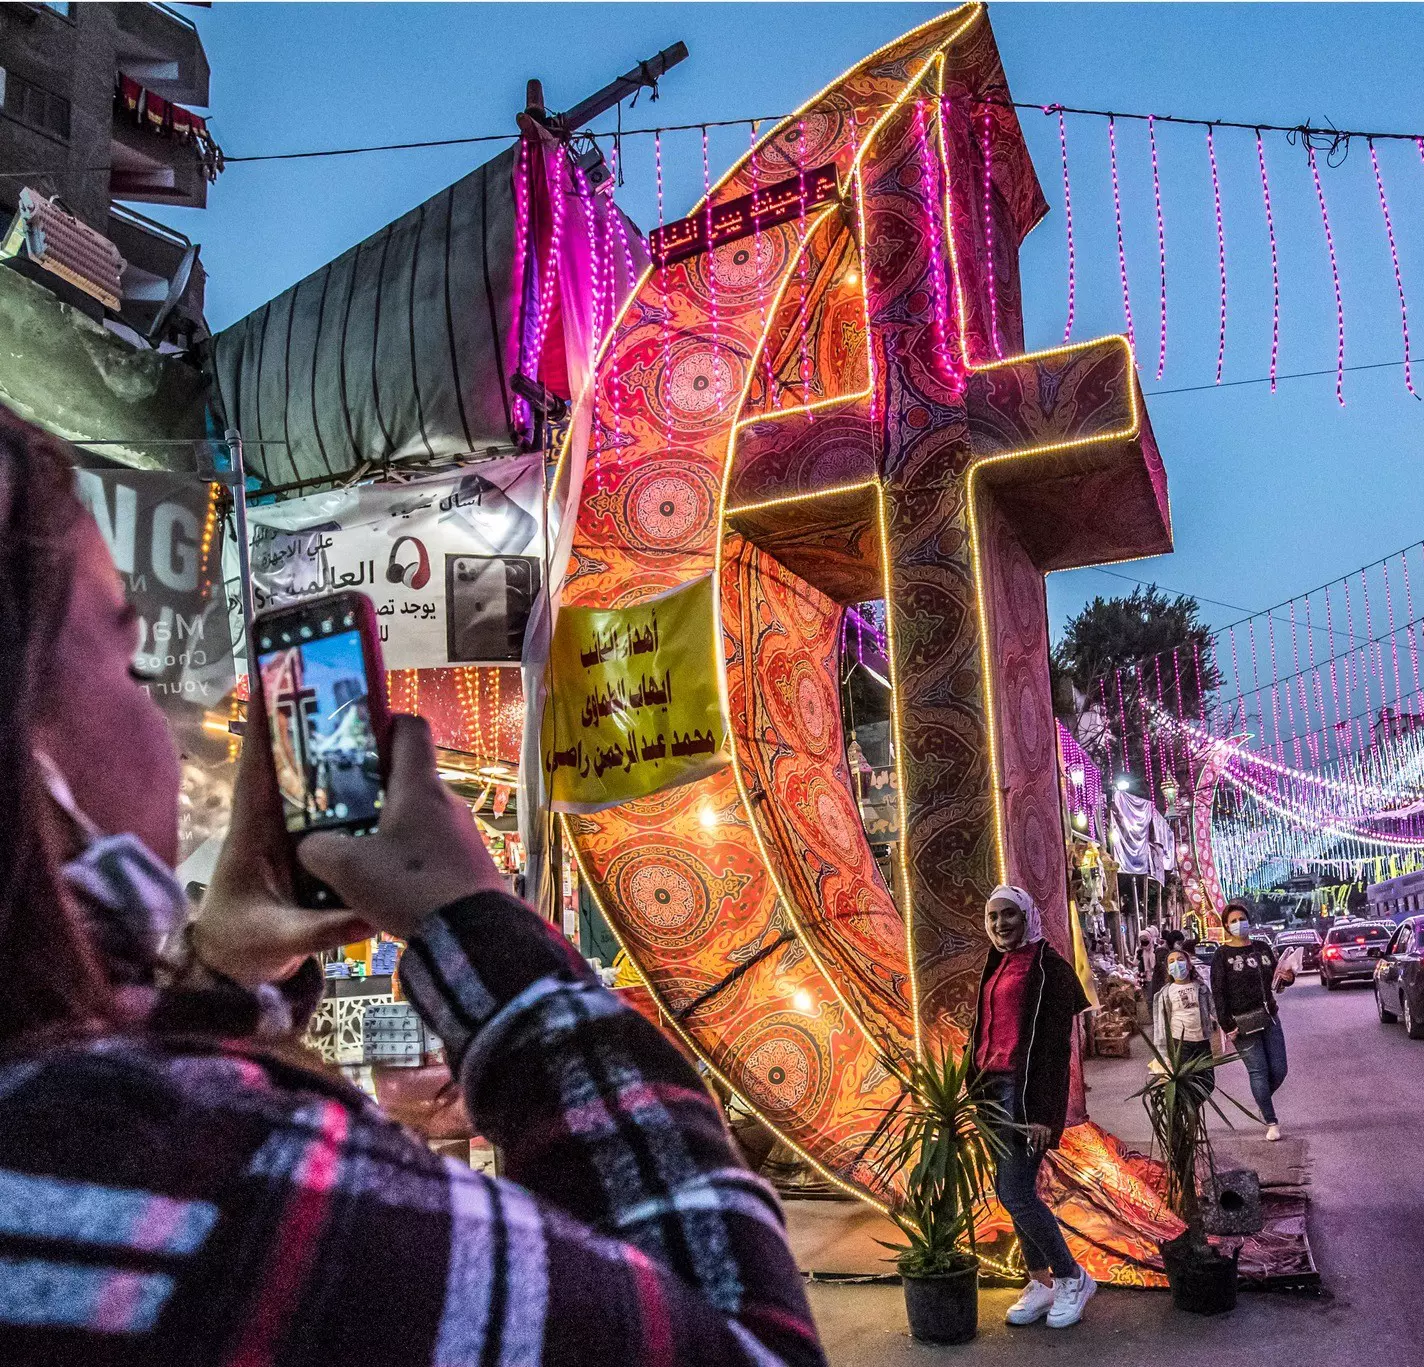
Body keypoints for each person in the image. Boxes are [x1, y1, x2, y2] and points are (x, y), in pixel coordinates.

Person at [0, 408, 823, 1366]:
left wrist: (217, 974)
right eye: (130, 659)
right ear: (32, 751)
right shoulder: (202, 1174)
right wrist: (480, 928)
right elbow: (747, 1344)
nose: (163, 724)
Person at [968, 885, 1096, 1330]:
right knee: (1013, 1192)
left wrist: (1045, 1112)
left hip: (1023, 1096)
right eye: (992, 917)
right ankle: (1040, 1282)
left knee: (1016, 1192)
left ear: (1027, 917)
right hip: (990, 1092)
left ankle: (1071, 1277)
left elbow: (1057, 1050)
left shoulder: (1051, 970)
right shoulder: (997, 962)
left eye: (1009, 915)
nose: (1000, 923)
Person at [1212, 901, 1296, 1141]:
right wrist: (1228, 1025)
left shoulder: (1262, 948)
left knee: (1279, 1069)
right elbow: (1218, 992)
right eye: (1234, 921)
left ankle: (1262, 1099)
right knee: (1258, 1071)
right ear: (1227, 927)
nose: (1240, 924)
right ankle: (1271, 1121)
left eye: (1242, 919)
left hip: (1269, 1016)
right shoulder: (1222, 955)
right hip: (1241, 1023)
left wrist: (1288, 978)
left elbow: (1277, 983)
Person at [1149, 946, 1219, 1096]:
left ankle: (1192, 1109)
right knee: (1186, 1085)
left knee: (1208, 1083)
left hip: (1202, 1041)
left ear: (1189, 964)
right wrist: (1163, 1054)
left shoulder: (1200, 987)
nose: (1177, 964)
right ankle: (1189, 1116)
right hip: (1180, 1045)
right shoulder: (1166, 993)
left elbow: (1214, 1009)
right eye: (1172, 962)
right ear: (1168, 970)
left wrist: (1228, 1027)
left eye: (1180, 960)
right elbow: (1161, 1025)